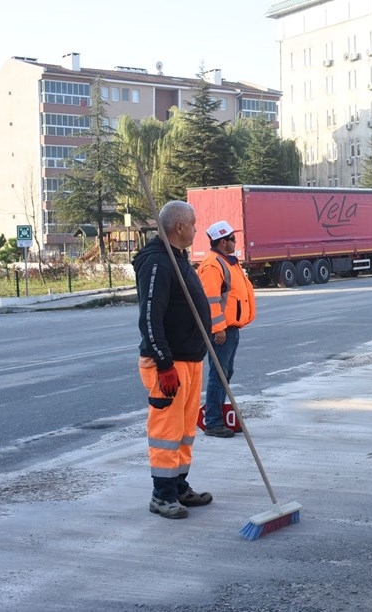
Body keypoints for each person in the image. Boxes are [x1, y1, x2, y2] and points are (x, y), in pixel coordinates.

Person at [133, 200, 213, 520]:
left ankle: (178, 486)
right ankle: (162, 495)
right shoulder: (157, 262)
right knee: (166, 432)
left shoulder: (178, 258)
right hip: (170, 364)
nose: (196, 229)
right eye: (193, 224)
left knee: (184, 430)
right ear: (179, 227)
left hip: (189, 359)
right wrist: (164, 364)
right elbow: (150, 318)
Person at [196, 220, 257, 438]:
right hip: (222, 332)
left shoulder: (226, 262)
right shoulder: (213, 265)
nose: (235, 242)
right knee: (219, 376)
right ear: (222, 242)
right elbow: (210, 301)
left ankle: (218, 417)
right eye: (232, 239)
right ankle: (213, 422)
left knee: (224, 374)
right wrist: (218, 328)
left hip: (230, 330)